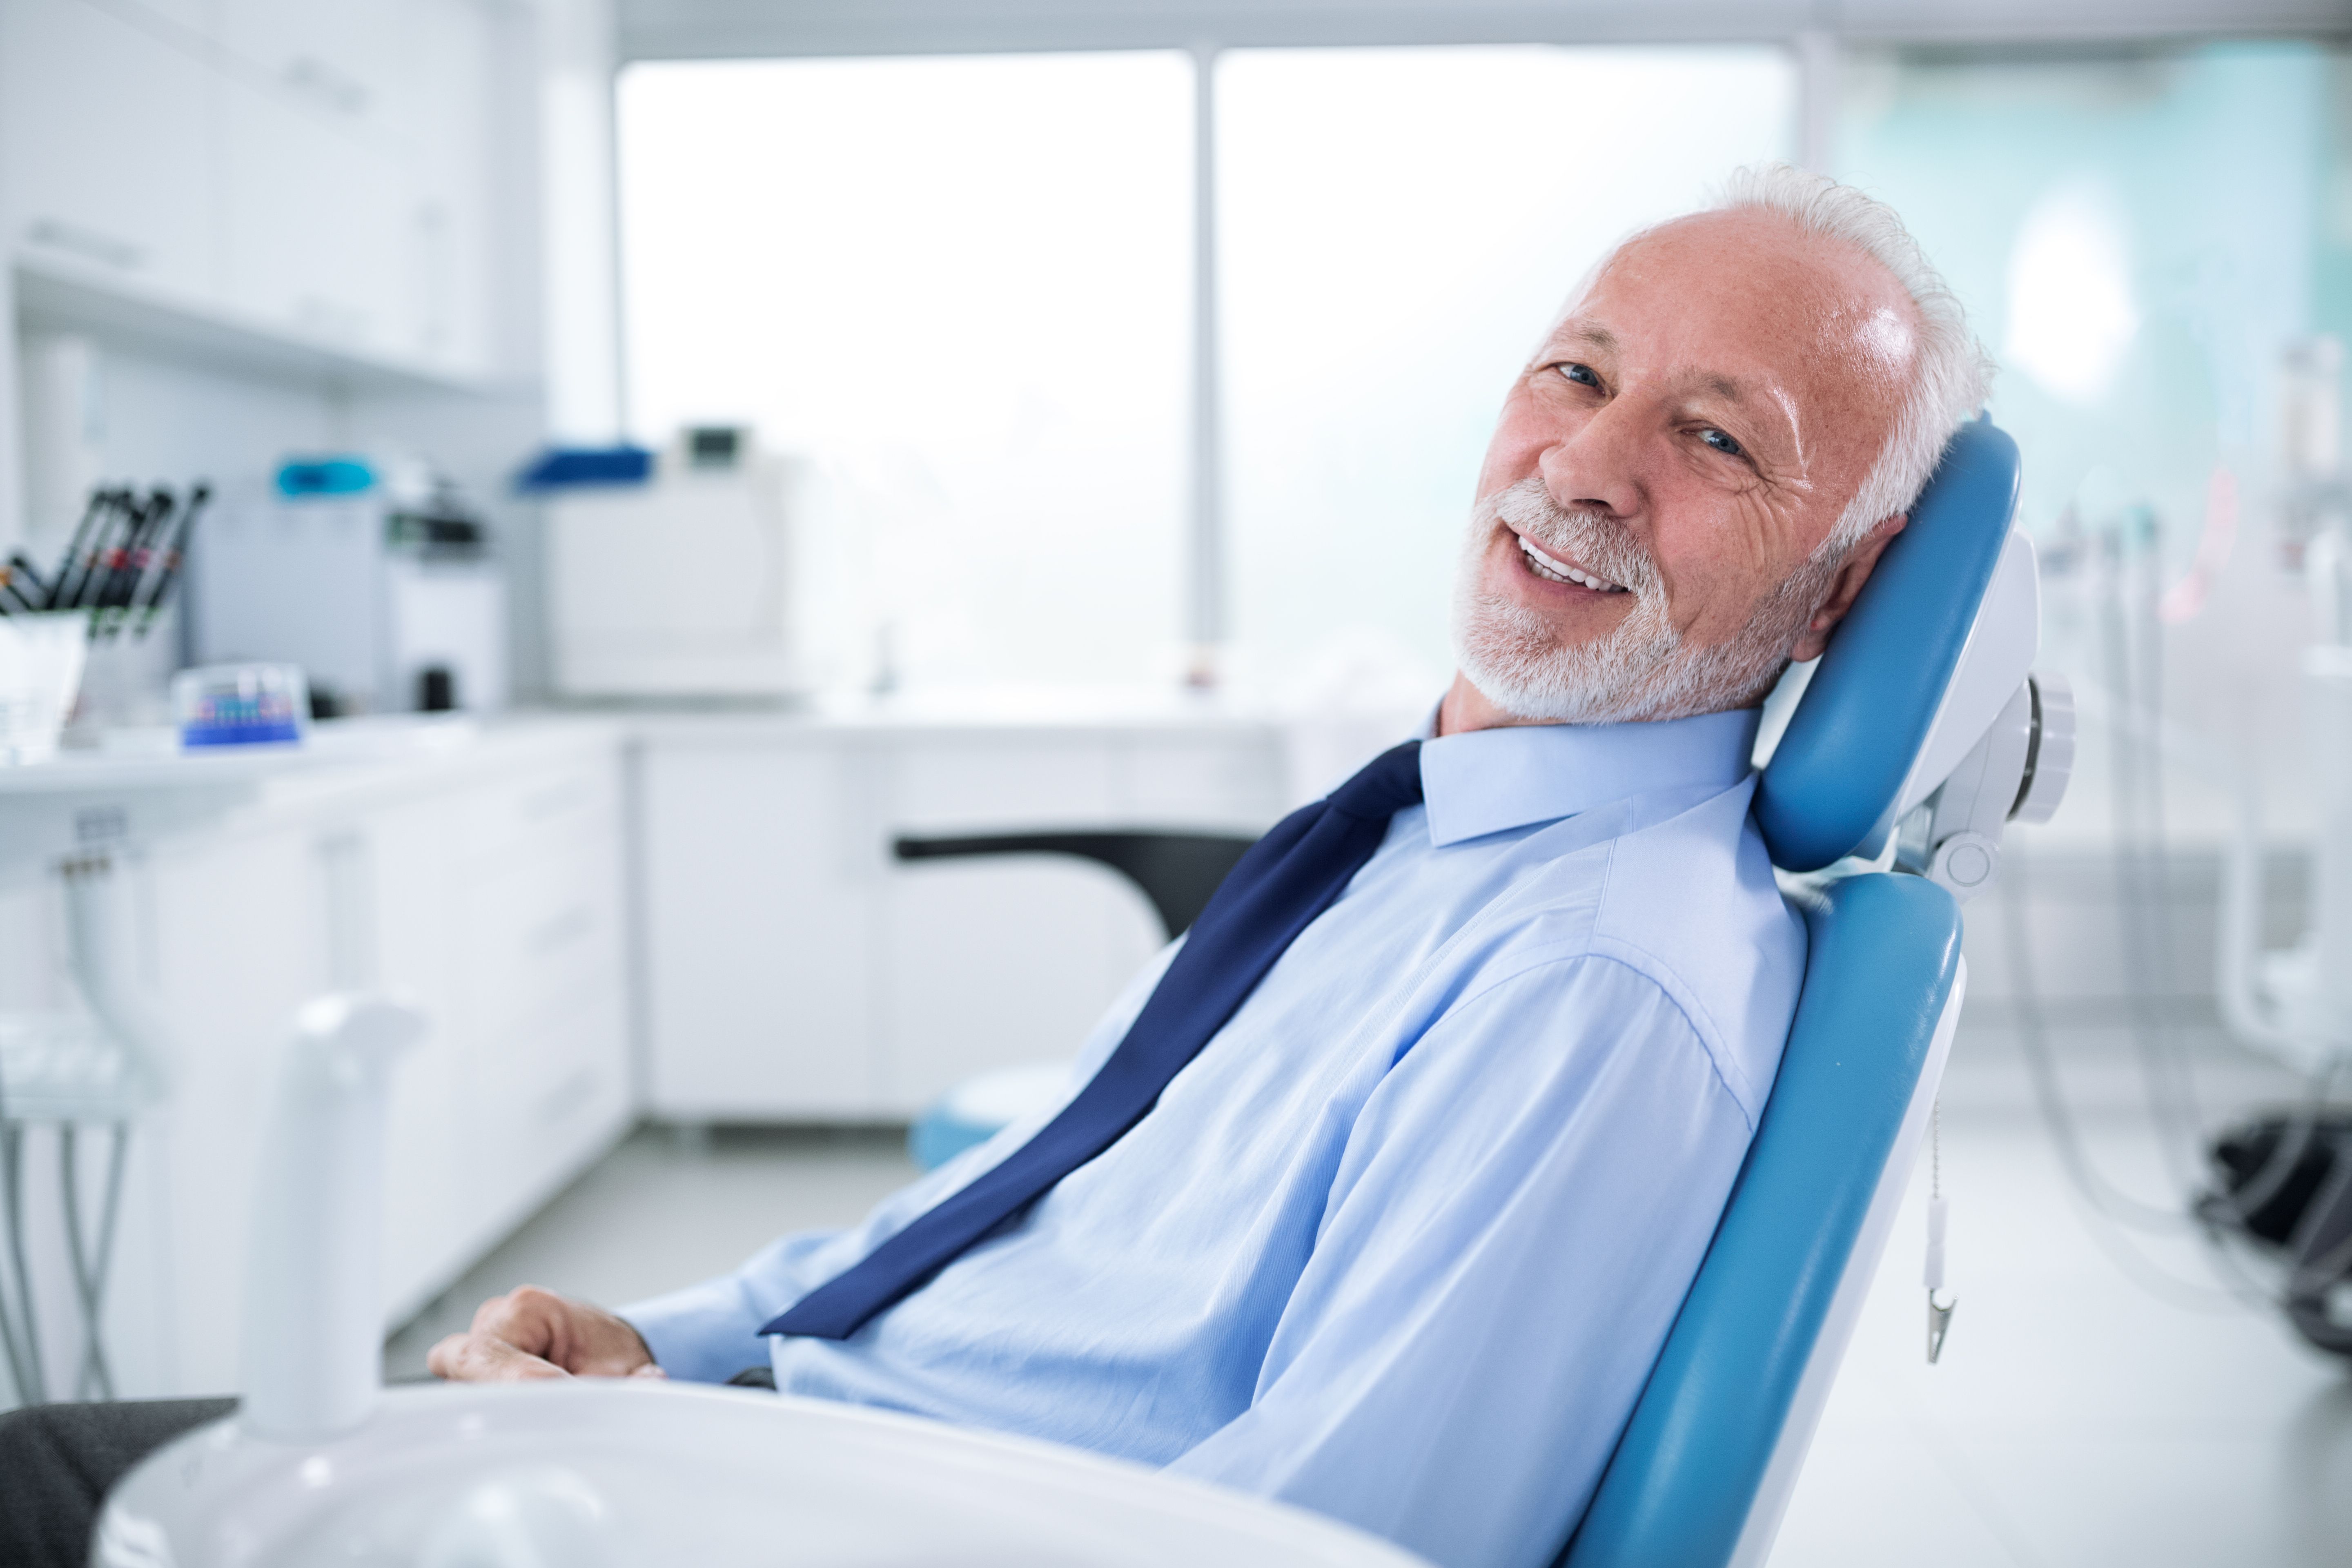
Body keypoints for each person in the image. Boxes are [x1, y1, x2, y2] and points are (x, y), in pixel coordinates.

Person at [0, 163, 1993, 1568]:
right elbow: (1049, 1209)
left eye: (1719, 441)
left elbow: (1312, 1551)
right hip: (782, 1444)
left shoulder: (1598, 987)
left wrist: (707, 1484)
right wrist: (680, 1353)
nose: (1584, 462)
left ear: (1848, 582)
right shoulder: (1420, 842)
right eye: (1579, 370)